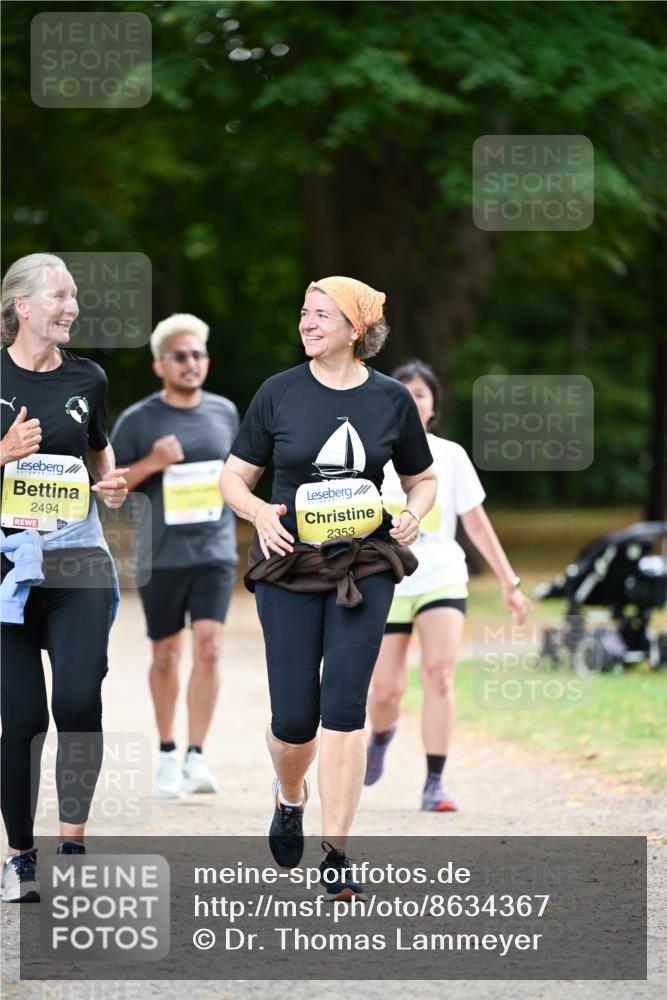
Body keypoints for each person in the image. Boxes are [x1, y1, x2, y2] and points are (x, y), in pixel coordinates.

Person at [220, 276, 436, 901]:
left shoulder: (391, 399)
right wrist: (258, 513)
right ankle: (290, 796)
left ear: (356, 329)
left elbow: (422, 479)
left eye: (321, 315)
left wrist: (413, 513)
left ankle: (336, 853)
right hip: (288, 566)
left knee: (344, 708)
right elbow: (234, 478)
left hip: (363, 566)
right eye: (304, 313)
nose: (307, 324)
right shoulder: (278, 392)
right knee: (294, 721)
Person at [0, 253, 128, 902]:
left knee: (77, 700)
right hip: (6, 569)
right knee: (22, 719)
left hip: (78, 559)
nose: (71, 307)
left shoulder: (89, 378)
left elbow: (99, 449)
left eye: (73, 296)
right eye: (58, 295)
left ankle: (72, 842)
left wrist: (112, 481)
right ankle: (19, 856)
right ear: (22, 307)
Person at [365, 360, 532, 811]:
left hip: (442, 577)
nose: (412, 400)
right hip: (387, 582)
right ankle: (380, 734)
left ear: (433, 406)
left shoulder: (451, 456)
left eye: (420, 393)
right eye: (403, 393)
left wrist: (509, 582)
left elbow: (476, 523)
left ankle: (434, 784)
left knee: (439, 676)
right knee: (386, 691)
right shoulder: (370, 456)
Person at [111, 314, 239, 799]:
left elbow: (240, 473)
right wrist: (153, 462)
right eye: (180, 356)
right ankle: (166, 753)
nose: (191, 363)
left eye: (198, 355)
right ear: (159, 365)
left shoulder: (225, 412)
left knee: (210, 647)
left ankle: (196, 757)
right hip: (161, 555)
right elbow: (110, 486)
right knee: (166, 656)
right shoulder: (139, 419)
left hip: (215, 550)